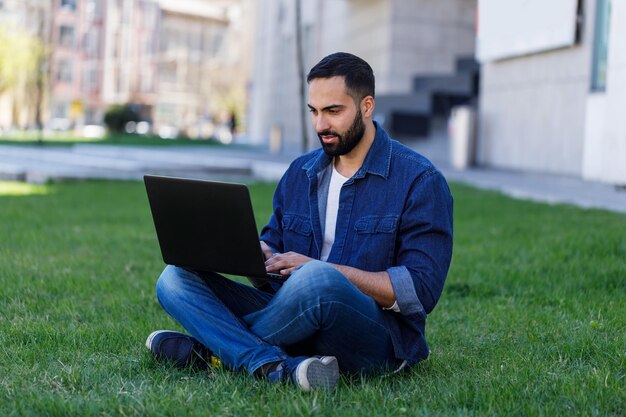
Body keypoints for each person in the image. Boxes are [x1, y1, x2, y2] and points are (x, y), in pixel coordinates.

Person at [145, 52, 453, 391]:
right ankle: (275, 366)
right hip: (295, 315)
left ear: (367, 106)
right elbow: (272, 267)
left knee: (318, 279)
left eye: (333, 111)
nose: (321, 125)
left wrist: (320, 270)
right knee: (174, 278)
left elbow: (420, 291)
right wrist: (256, 256)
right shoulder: (300, 173)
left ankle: (213, 347)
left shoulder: (420, 180)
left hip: (377, 339)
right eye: (314, 112)